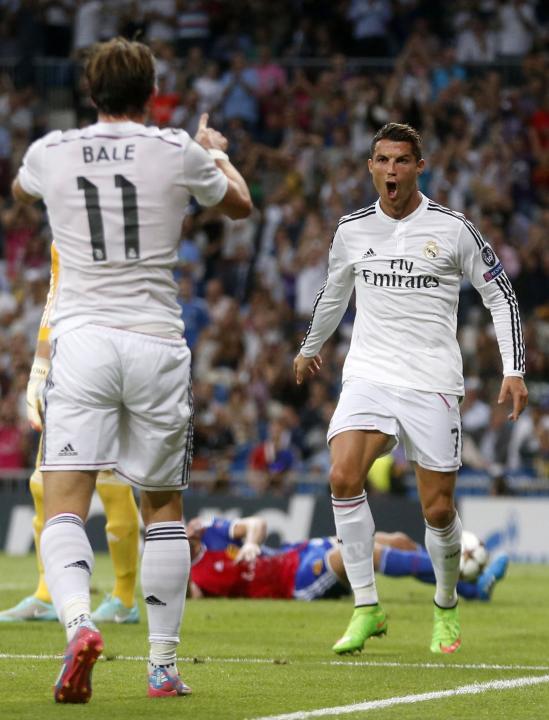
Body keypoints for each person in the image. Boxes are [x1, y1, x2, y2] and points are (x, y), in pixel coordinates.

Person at [11, 37, 251, 703]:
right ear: (153, 94)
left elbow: (20, 187)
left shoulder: (50, 151)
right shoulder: (177, 149)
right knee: (163, 508)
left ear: (90, 93)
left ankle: (80, 626)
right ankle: (162, 668)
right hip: (155, 343)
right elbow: (239, 206)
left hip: (81, 343)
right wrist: (217, 153)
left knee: (62, 503)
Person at [293, 122, 528, 656]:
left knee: (438, 510)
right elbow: (333, 294)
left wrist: (514, 368)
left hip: (431, 382)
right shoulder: (352, 229)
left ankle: (445, 605)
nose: (392, 170)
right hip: (369, 374)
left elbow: (501, 296)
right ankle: (366, 607)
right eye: (382, 160)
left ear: (420, 167)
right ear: (370, 167)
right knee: (342, 475)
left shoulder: (452, 228)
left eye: (402, 160)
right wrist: (310, 347)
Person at [0, 242, 140, 626]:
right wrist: (41, 366)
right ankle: (47, 593)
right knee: (43, 482)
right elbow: (54, 295)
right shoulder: (65, 230)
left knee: (113, 480)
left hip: (118, 361)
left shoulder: (128, 220)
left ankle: (125, 598)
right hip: (71, 362)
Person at [186, 515, 509, 603]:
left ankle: (470, 590)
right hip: (295, 582)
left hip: (297, 552)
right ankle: (461, 571)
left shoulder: (209, 530)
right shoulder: (194, 579)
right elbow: (191, 598)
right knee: (360, 552)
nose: (183, 536)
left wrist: (251, 544)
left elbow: (256, 524)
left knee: (397, 540)